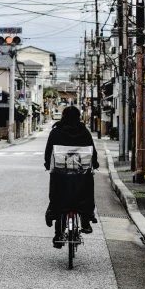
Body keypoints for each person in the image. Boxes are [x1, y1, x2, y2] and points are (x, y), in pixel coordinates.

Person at [44, 105, 99, 247]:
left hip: (61, 174)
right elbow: (92, 150)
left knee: (57, 197)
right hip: (81, 174)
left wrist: (46, 164)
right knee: (86, 192)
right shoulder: (84, 131)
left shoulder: (56, 132)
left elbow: (49, 150)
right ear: (78, 117)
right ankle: (86, 221)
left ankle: (57, 232)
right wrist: (95, 163)